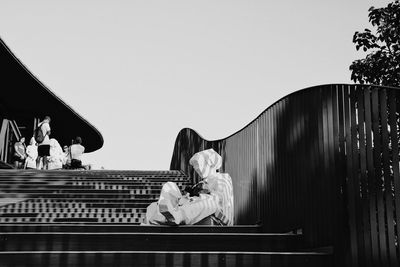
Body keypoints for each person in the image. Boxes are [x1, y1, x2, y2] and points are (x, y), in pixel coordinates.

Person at [143, 149, 234, 226]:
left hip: (220, 218)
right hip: (194, 209)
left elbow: (219, 200)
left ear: (210, 163)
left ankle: (175, 216)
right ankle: (155, 220)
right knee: (168, 189)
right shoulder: (199, 184)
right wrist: (185, 199)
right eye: (195, 166)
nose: (196, 168)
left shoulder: (222, 178)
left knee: (210, 203)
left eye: (198, 164)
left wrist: (196, 198)